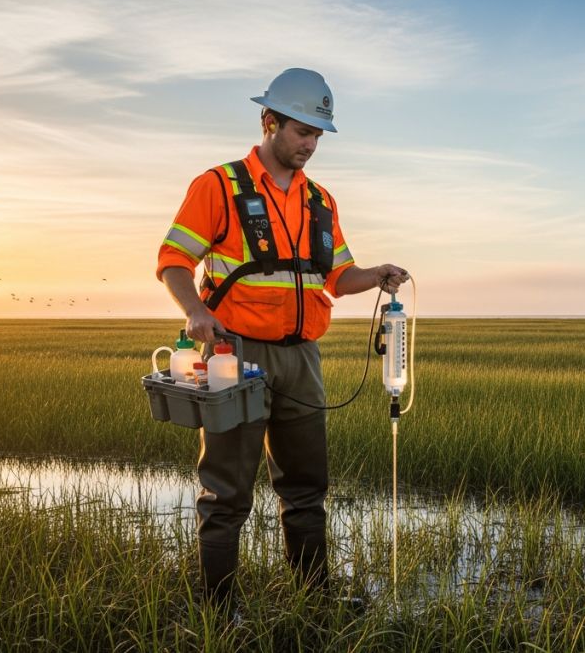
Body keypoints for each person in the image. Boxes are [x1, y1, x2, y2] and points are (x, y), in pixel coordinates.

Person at [156, 68, 408, 611]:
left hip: (302, 362)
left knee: (307, 489)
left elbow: (338, 277)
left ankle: (313, 599)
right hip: (234, 357)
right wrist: (195, 310)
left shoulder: (322, 201)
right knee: (227, 493)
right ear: (269, 121)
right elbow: (173, 260)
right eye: (302, 132)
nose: (311, 145)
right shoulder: (218, 185)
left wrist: (377, 274)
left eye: (318, 135)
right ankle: (218, 610)